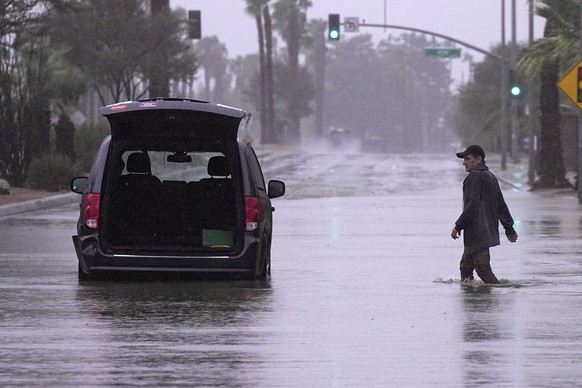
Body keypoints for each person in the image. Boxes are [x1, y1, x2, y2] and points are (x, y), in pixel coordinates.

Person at [450, 145, 518, 284]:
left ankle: (490, 301)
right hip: (486, 230)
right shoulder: (490, 176)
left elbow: (472, 205)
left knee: (482, 269)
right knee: (465, 267)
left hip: (477, 232)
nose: (464, 162)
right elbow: (501, 204)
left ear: (478, 159)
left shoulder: (474, 176)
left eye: (468, 159)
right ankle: (473, 300)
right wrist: (509, 228)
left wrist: (458, 226)